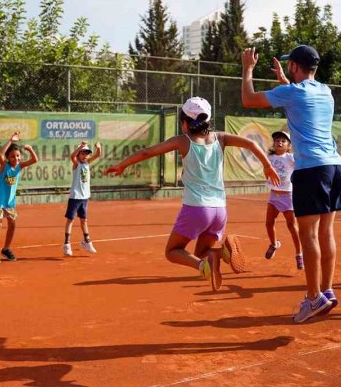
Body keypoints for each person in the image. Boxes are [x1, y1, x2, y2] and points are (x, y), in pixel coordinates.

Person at [106, 97, 280, 292]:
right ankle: (222, 252)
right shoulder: (220, 138)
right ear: (208, 121)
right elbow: (251, 144)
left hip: (196, 208)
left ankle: (202, 267)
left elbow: (147, 152)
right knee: (202, 251)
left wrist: (122, 165)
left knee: (172, 251)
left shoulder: (183, 141)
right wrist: (267, 166)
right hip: (220, 210)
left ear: (184, 123)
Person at [241, 45, 341, 323]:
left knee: (309, 235)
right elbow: (300, 98)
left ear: (295, 66)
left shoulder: (293, 93)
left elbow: (249, 99)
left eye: (290, 64)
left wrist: (248, 68)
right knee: (327, 232)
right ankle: (327, 291)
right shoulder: (325, 91)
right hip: (335, 166)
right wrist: (284, 82)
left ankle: (313, 299)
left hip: (312, 169)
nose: (288, 67)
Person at [0, 132, 38, 263]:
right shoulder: (4, 166)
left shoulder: (20, 167)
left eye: (17, 156)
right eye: (12, 156)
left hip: (9, 203)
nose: (15, 158)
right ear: (8, 158)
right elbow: (0, 154)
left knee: (12, 224)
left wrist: (30, 149)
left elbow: (35, 160)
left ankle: (6, 249)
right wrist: (10, 141)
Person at [264, 131, 303, 270]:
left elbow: (301, 166)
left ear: (289, 145)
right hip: (274, 195)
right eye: (277, 140)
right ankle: (274, 244)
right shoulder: (270, 157)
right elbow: (266, 169)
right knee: (269, 223)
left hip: (288, 196)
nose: (279, 142)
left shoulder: (291, 158)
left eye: (283, 141)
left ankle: (299, 254)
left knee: (292, 226)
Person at [63, 141, 102, 256]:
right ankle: (66, 244)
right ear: (78, 154)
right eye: (83, 153)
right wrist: (80, 146)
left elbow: (97, 155)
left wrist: (98, 148)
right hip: (75, 197)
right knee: (70, 220)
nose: (85, 156)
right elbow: (72, 156)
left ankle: (87, 241)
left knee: (84, 220)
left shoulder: (87, 163)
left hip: (84, 197)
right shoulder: (76, 164)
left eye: (87, 154)